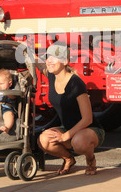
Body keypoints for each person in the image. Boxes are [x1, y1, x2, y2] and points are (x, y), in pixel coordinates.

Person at [38, 43, 105, 176]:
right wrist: (22, 48)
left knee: (78, 142)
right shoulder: (51, 75)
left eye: (54, 57)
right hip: (68, 129)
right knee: (43, 139)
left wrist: (65, 136)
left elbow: (88, 118)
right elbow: (36, 62)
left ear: (65, 61)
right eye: (48, 57)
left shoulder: (76, 83)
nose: (49, 61)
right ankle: (69, 159)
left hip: (89, 130)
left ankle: (90, 159)